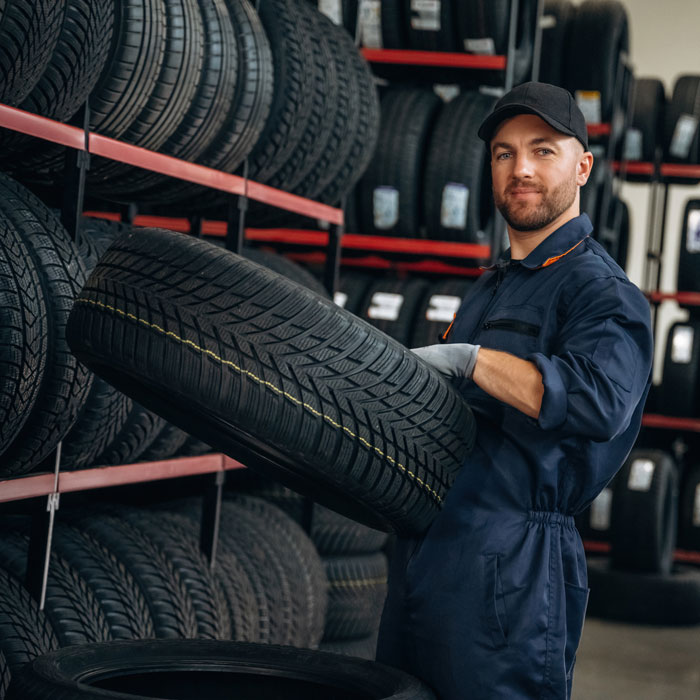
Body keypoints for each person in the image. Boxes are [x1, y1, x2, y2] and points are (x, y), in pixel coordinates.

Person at [375, 82, 654, 700]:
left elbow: (599, 399)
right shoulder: (492, 284)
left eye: (542, 150)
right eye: (504, 153)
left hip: (513, 573)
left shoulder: (602, 293)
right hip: (427, 555)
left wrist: (472, 361)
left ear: (582, 166)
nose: (520, 168)